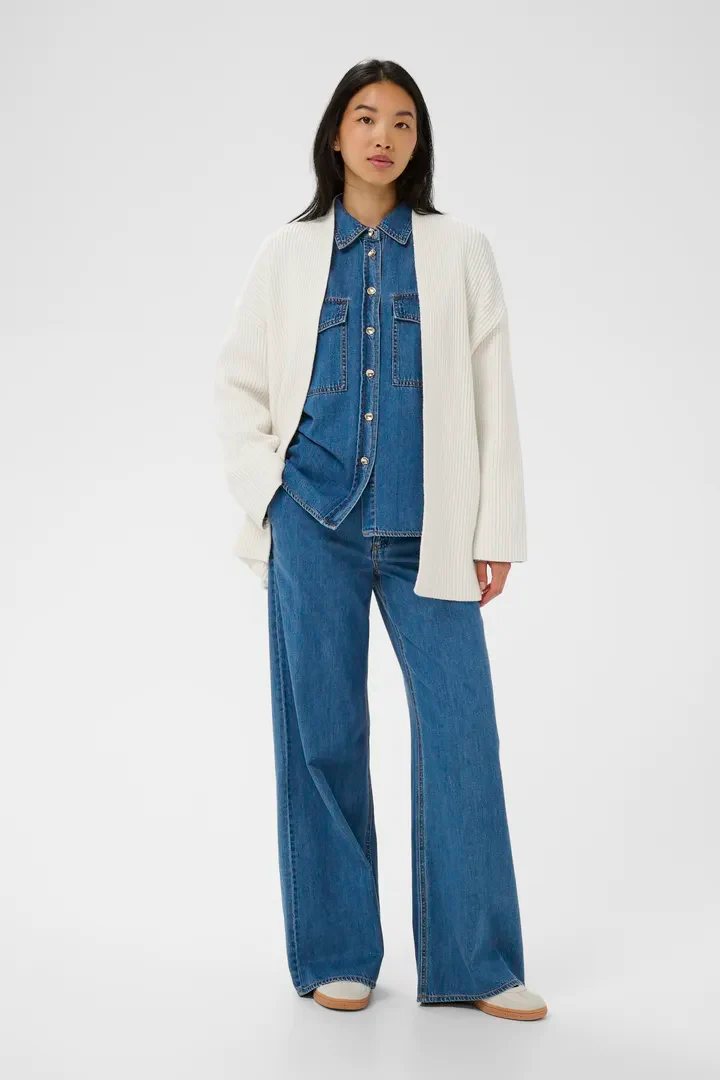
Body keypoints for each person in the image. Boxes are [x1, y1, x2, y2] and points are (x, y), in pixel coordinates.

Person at [213, 58, 547, 1021]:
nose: (383, 136)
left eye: (402, 121)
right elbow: (238, 381)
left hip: (426, 528)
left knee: (461, 735)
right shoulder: (286, 253)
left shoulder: (460, 250)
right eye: (365, 118)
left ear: (418, 140)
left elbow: (491, 395)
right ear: (336, 135)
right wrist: (270, 495)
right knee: (322, 735)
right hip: (312, 523)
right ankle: (336, 951)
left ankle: (477, 963)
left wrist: (494, 528)